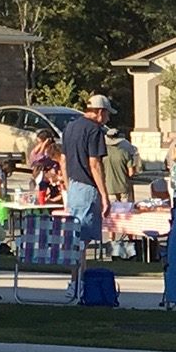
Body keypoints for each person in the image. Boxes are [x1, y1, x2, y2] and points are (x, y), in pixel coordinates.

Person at [59, 94, 114, 253]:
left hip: (74, 186)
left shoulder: (69, 127)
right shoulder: (94, 130)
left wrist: (68, 186)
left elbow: (63, 160)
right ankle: (78, 275)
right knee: (83, 238)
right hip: (88, 187)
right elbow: (94, 164)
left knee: (75, 235)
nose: (108, 118)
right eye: (107, 114)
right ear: (100, 112)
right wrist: (104, 195)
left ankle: (76, 275)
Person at [103, 125, 139, 203]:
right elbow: (131, 173)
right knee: (126, 211)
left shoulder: (103, 154)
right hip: (124, 187)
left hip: (109, 188)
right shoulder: (125, 152)